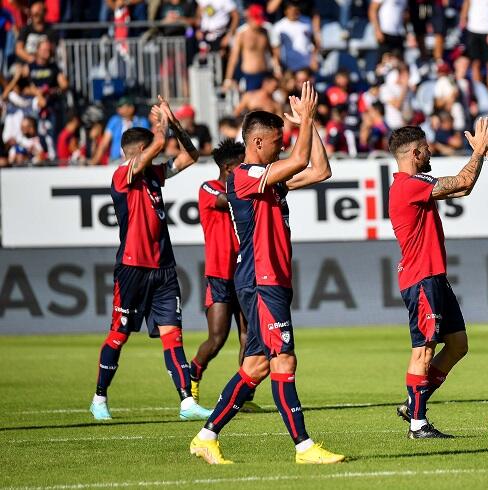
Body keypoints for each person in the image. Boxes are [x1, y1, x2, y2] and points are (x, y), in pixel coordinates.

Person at [189, 82, 344, 465]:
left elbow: (319, 169)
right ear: (257, 143)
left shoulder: (270, 184)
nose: (282, 146)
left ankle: (206, 437)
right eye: (277, 141)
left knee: (256, 365)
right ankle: (304, 447)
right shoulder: (243, 177)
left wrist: (311, 126)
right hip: (260, 280)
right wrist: (306, 120)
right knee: (284, 361)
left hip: (271, 279)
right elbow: (298, 159)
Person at [89, 96, 212, 422]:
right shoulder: (121, 177)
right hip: (132, 268)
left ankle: (186, 401)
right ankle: (99, 397)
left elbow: (192, 156)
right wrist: (163, 124)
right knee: (119, 334)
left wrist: (175, 127)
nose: (159, 152)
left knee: (173, 335)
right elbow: (159, 143)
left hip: (164, 268)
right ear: (137, 153)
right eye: (152, 150)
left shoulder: (155, 175)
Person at [389, 118, 488, 439]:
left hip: (434, 277)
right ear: (413, 153)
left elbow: (463, 186)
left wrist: (478, 155)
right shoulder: (409, 185)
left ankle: (413, 403)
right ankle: (418, 424)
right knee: (423, 348)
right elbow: (462, 182)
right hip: (421, 278)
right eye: (424, 149)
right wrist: (478, 152)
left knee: (457, 345)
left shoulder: (414, 184)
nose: (429, 152)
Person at [189, 139, 254, 410]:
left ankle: (243, 396)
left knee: (248, 336)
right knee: (217, 339)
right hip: (219, 274)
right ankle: (192, 378)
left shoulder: (241, 188)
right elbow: (225, 201)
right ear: (228, 168)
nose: (245, 168)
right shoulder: (209, 188)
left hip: (243, 271)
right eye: (241, 164)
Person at [224, 4, 271, 93]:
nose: (258, 24)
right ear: (250, 19)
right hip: (249, 76)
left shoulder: (264, 32)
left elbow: (271, 53)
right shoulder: (241, 34)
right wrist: (228, 78)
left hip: (265, 75)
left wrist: (276, 67)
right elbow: (234, 57)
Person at [90, 97, 150, 164]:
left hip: (136, 161)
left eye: (121, 106)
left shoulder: (142, 122)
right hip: (115, 161)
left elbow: (146, 143)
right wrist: (94, 161)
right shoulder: (114, 120)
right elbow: (104, 143)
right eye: (118, 107)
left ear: (131, 108)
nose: (118, 109)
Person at [460, 0, 488, 89]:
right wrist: (463, 17)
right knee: (475, 63)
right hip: (473, 30)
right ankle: (480, 93)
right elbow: (467, 2)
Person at [271, 1, 318, 75]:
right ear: (286, 11)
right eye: (292, 10)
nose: (294, 13)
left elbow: (314, 42)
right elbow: (276, 49)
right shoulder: (279, 27)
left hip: (306, 66)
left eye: (296, 10)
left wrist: (313, 59)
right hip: (288, 67)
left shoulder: (307, 22)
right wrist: (277, 66)